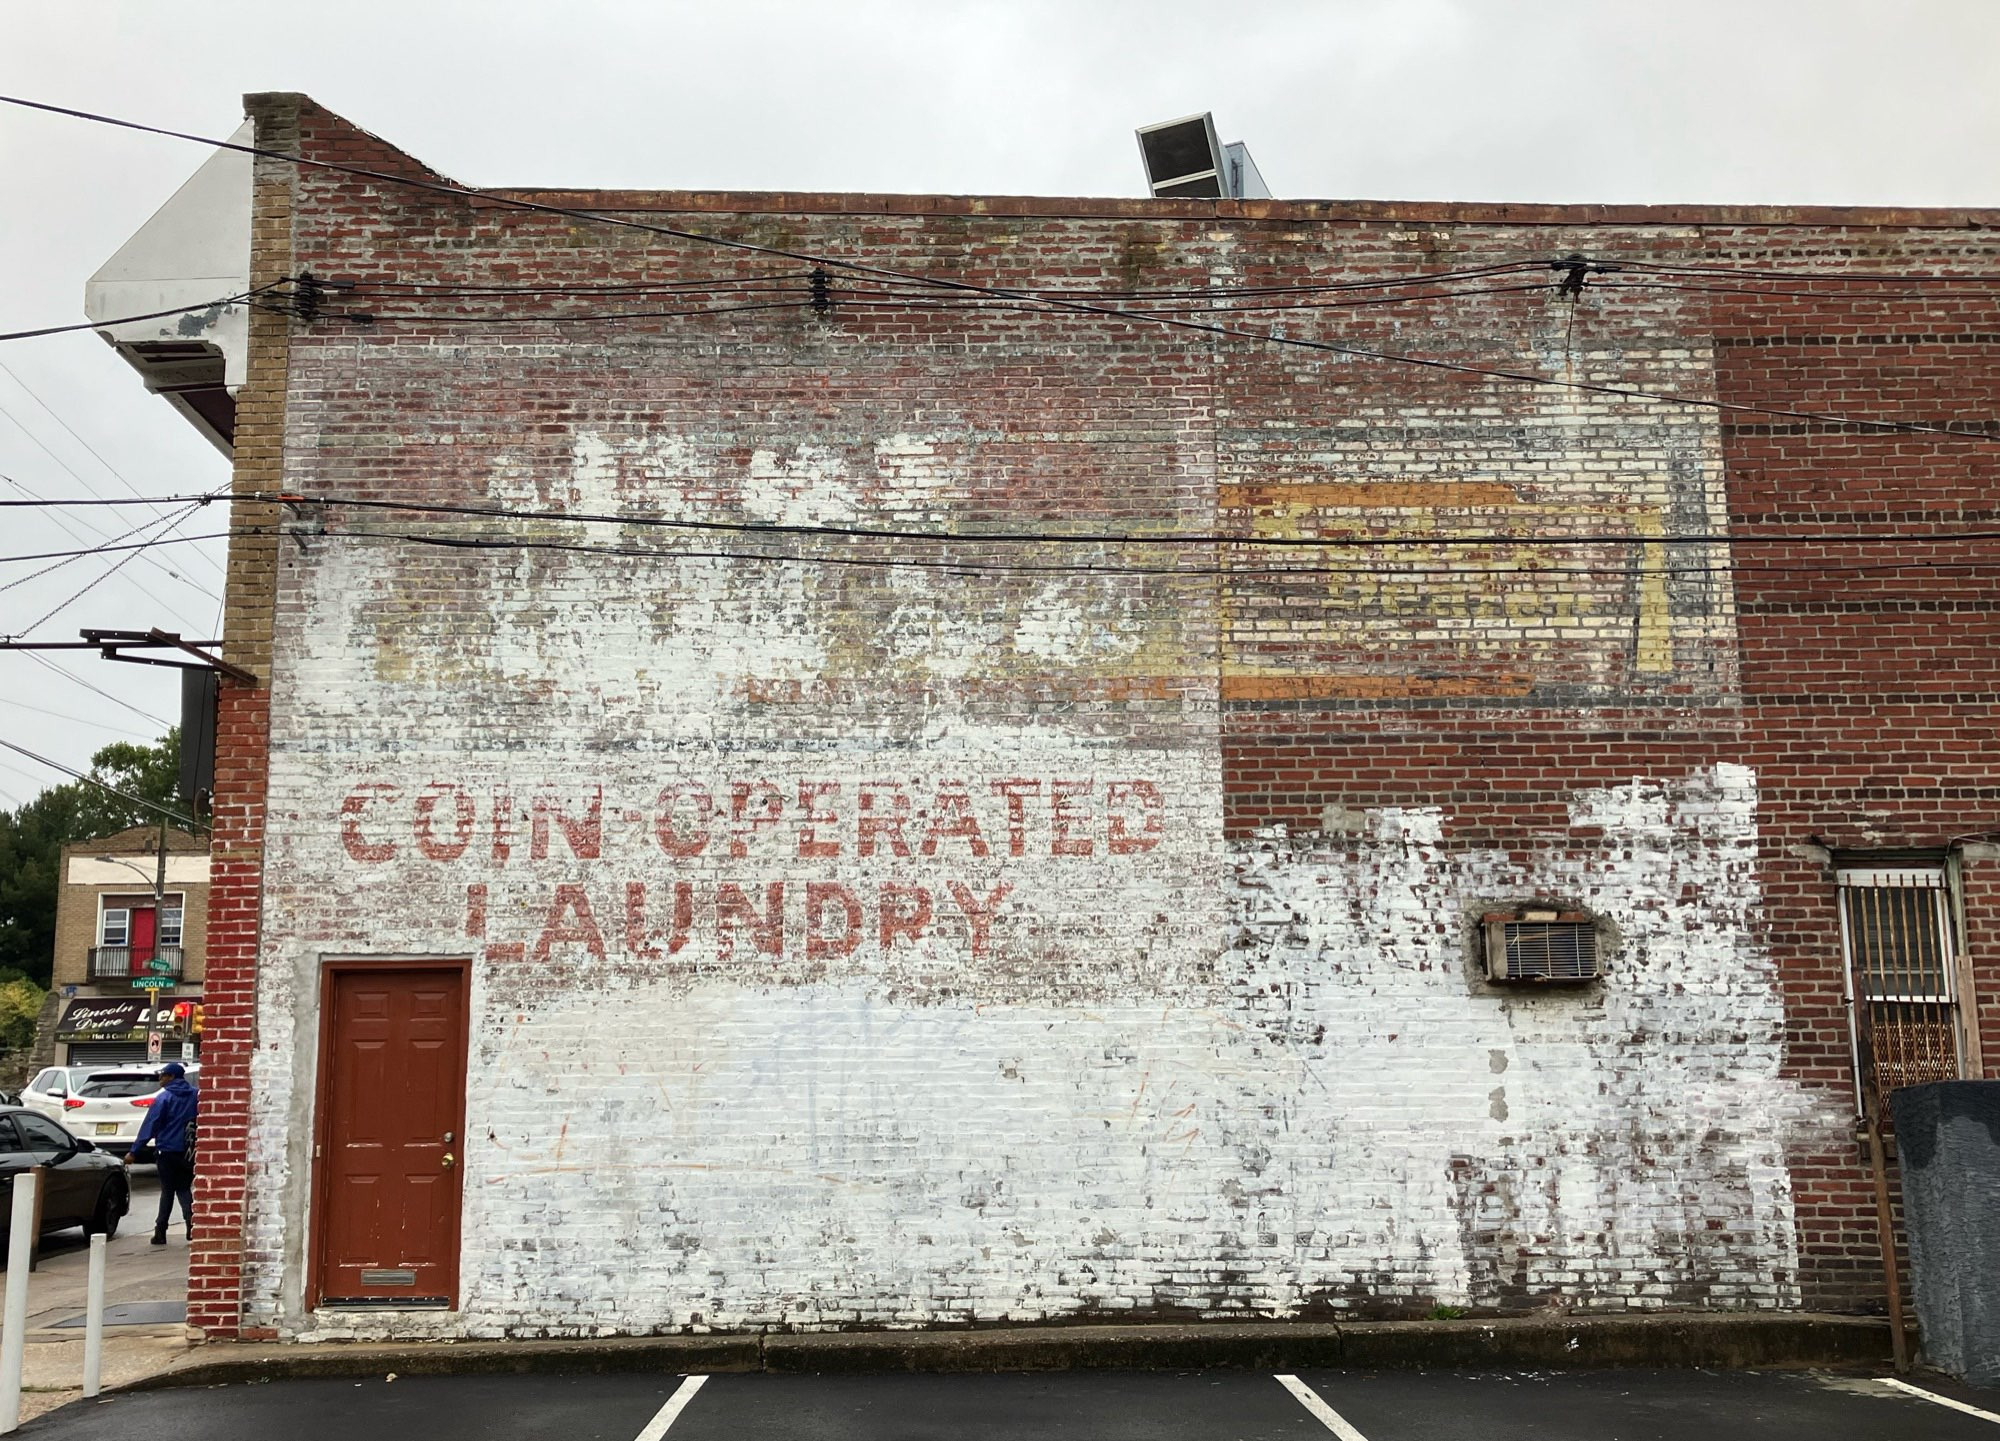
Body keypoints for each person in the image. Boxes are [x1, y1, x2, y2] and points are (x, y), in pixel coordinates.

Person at [125, 1062, 198, 1244]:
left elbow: (150, 1125)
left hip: (166, 1150)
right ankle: (191, 1224)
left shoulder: (164, 1098)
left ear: (172, 1077)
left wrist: (134, 1151)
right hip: (188, 1150)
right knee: (183, 1188)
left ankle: (160, 1231)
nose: (160, 1079)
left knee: (167, 1191)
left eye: (163, 1075)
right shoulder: (195, 1096)